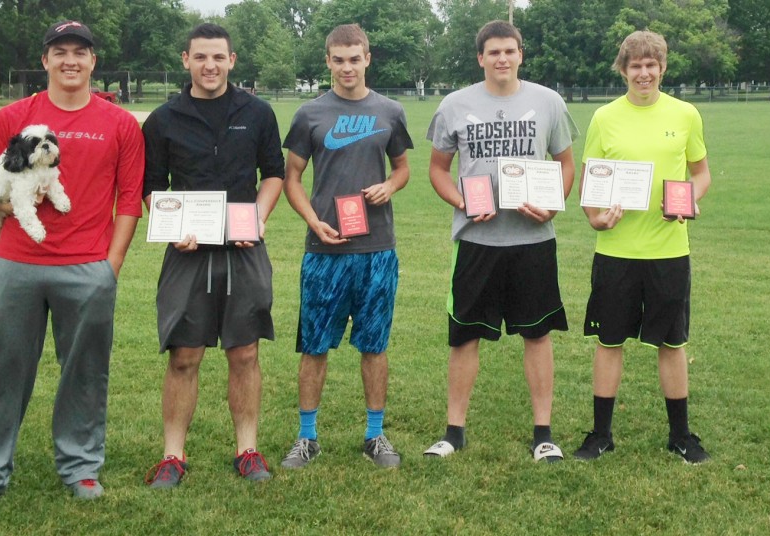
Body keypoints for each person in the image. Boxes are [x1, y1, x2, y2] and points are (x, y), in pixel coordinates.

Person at [0, 20, 145, 514]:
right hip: (15, 264)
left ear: (93, 60)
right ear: (45, 61)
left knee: (85, 372)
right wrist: (11, 208)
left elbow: (129, 199)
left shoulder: (119, 122)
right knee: (1, 369)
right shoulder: (16, 116)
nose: (70, 60)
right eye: (60, 52)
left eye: (80, 51)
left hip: (87, 268)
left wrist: (111, 264)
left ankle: (80, 468)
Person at [423, 20, 578, 462]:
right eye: (493, 52)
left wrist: (552, 205)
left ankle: (543, 433)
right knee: (464, 336)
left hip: (532, 239)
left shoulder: (548, 101)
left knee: (538, 334)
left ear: (520, 54)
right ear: (480, 58)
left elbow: (566, 164)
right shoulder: (455, 104)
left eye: (509, 51)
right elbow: (437, 169)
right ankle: (454, 431)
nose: (502, 59)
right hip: (476, 241)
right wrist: (463, 202)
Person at [140, 23, 285, 488]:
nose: (210, 66)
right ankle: (172, 456)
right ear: (185, 60)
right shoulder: (163, 119)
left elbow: (274, 174)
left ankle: (247, 450)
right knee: (184, 354)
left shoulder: (257, 112)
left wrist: (259, 219)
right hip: (187, 254)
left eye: (218, 57)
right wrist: (170, 227)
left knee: (244, 352)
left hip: (243, 250)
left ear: (232, 61)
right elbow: (151, 188)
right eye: (200, 57)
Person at [572, 30, 712, 464]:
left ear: (663, 68)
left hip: (669, 250)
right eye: (636, 66)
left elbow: (701, 172)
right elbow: (590, 184)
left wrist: (688, 201)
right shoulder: (604, 118)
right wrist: (595, 217)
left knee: (672, 343)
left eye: (652, 65)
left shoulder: (686, 114)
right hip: (616, 250)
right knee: (609, 341)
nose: (644, 73)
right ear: (624, 69)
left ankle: (681, 435)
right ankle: (600, 434)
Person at [279, 24, 412, 469]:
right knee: (314, 345)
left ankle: (375, 436)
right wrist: (313, 220)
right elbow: (292, 178)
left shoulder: (390, 110)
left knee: (374, 344)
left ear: (367, 58)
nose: (347, 67)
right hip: (325, 249)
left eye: (355, 59)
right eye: (339, 59)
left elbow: (402, 169)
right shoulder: (310, 114)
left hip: (377, 248)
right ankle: (307, 437)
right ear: (328, 61)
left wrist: (390, 187)